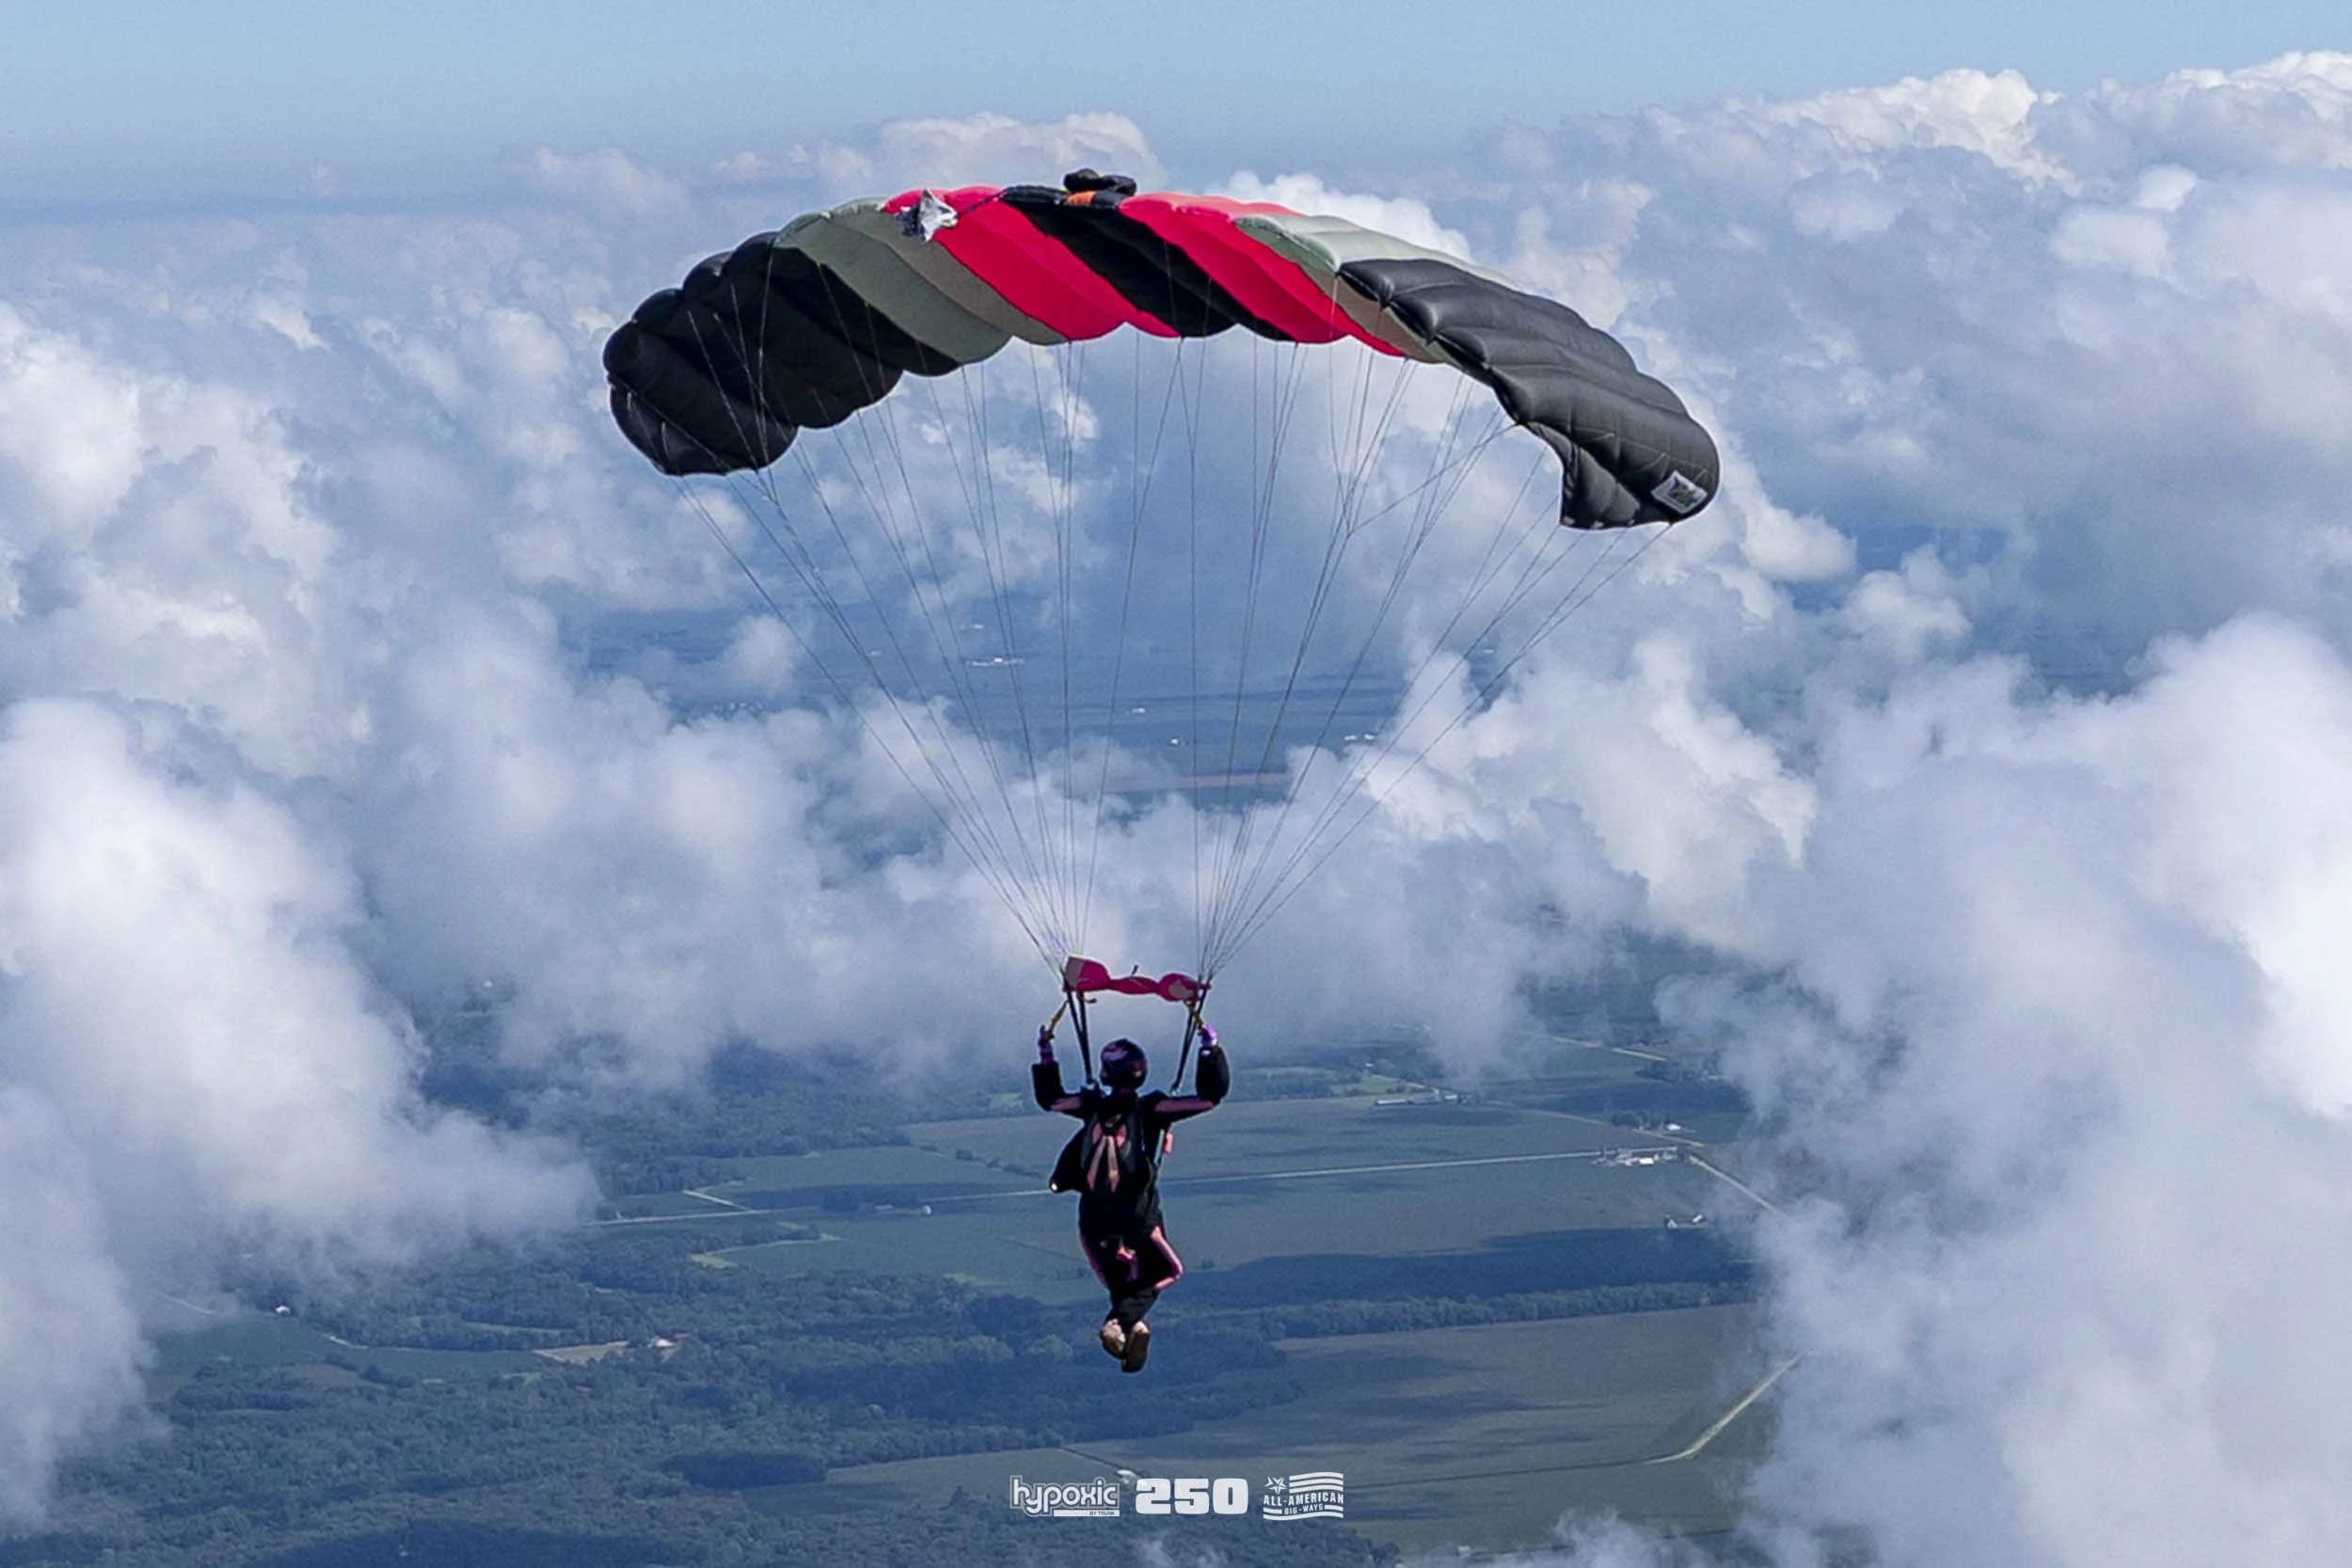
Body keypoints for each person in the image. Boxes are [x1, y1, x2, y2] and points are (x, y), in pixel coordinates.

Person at [1033, 1022, 1229, 1372]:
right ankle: (1119, 1324)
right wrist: (1208, 1050)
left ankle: (1130, 1329)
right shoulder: (1151, 1111)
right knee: (1162, 1270)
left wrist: (1046, 1052)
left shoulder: (1091, 1106)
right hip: (1137, 1216)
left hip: (1093, 1216)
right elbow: (1208, 1098)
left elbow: (1051, 1099)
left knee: (1123, 1279)